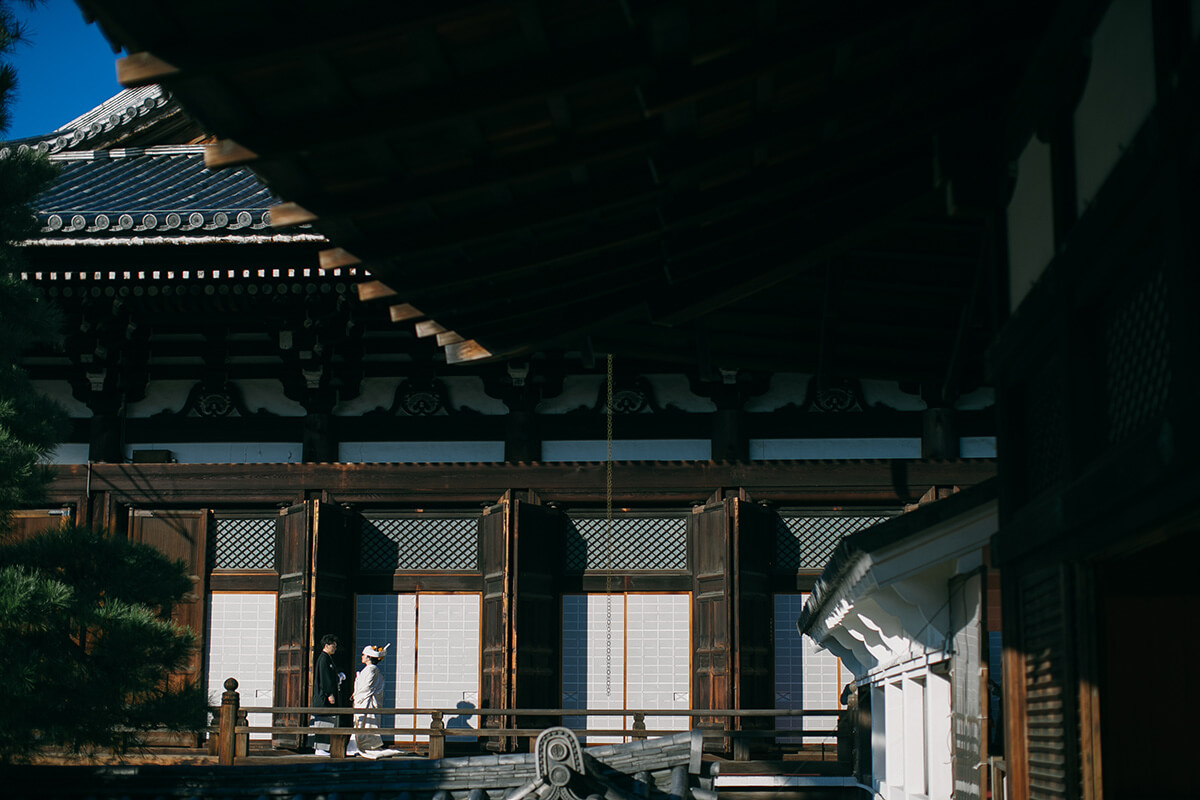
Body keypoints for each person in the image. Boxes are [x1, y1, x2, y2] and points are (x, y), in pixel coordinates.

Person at [352, 643, 400, 758]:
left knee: (365, 723)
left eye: (364, 655)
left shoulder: (371, 670)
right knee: (365, 724)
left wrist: (356, 694)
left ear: (369, 657)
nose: (362, 657)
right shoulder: (370, 669)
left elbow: (367, 687)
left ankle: (366, 745)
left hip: (365, 700)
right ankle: (367, 744)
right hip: (364, 700)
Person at [311, 634, 344, 754]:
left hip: (327, 695)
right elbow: (324, 679)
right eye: (333, 646)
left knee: (329, 721)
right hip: (324, 697)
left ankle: (325, 747)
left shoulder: (328, 658)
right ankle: (321, 748)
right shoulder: (323, 659)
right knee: (324, 721)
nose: (335, 648)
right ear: (326, 645)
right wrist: (329, 693)